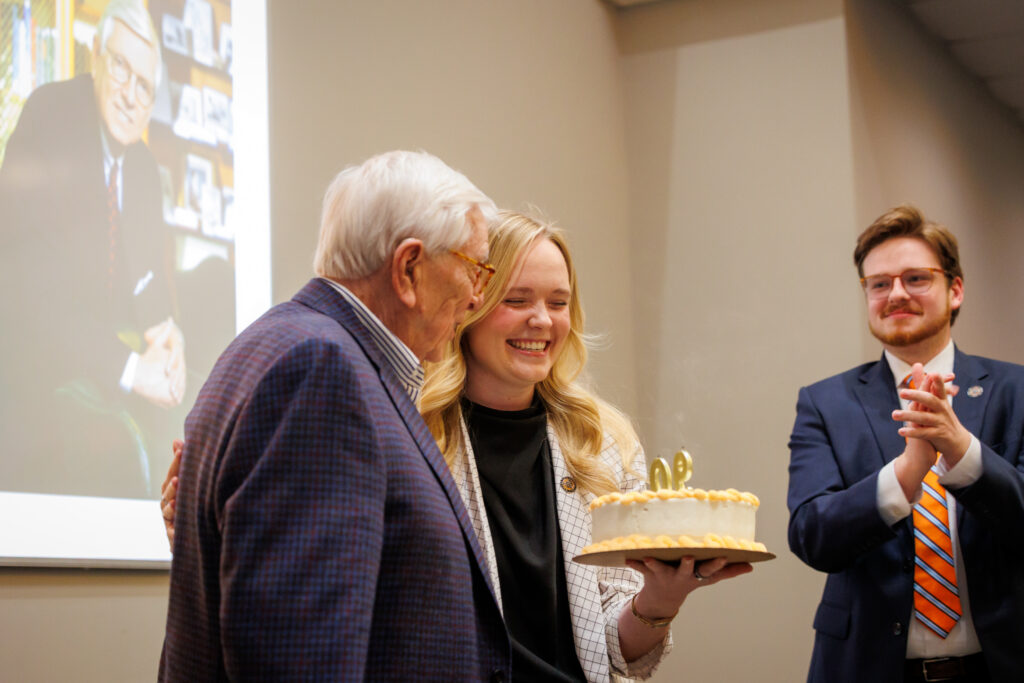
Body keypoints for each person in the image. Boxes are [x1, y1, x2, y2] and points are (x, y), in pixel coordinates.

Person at [163, 209, 752, 681]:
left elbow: (613, 654)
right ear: (472, 304)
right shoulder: (405, 428)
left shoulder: (604, 443)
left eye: (559, 301)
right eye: (516, 300)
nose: (542, 321)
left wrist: (660, 599)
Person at [159, 150, 510, 682]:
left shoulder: (293, 346)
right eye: (475, 268)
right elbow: (296, 656)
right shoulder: (321, 373)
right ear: (409, 268)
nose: (478, 296)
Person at [787, 205, 1024, 683]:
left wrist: (960, 449)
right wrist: (907, 471)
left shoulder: (1016, 390)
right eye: (879, 283)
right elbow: (812, 536)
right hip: (867, 668)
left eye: (916, 278)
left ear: (954, 290)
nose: (895, 294)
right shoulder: (824, 402)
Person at [0, 0, 184, 498]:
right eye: (121, 67)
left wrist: (167, 335)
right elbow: (30, 293)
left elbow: (146, 280)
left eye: (143, 85)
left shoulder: (143, 168)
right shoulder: (51, 116)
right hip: (31, 368)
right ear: (96, 56)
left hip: (95, 362)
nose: (129, 94)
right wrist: (131, 371)